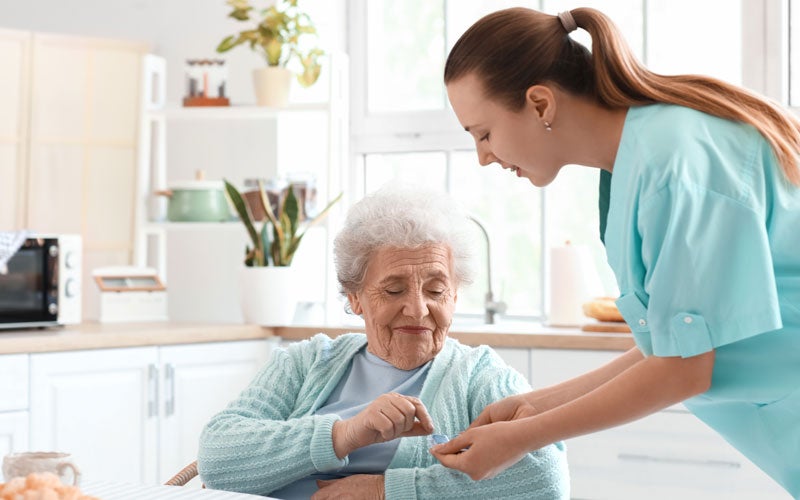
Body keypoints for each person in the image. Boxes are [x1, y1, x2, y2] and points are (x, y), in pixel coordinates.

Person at [430, 6, 800, 497]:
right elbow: (669, 347)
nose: (482, 157)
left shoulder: (673, 165)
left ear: (541, 104)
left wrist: (520, 438)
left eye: (484, 133)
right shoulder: (637, 163)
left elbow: (683, 370)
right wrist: (532, 406)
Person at [197, 184, 569, 499]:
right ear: (355, 297)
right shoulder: (305, 362)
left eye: (436, 289)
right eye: (394, 289)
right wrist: (344, 434)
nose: (418, 309)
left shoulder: (479, 376)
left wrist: (387, 489)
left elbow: (545, 478)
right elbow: (217, 458)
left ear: (455, 296)